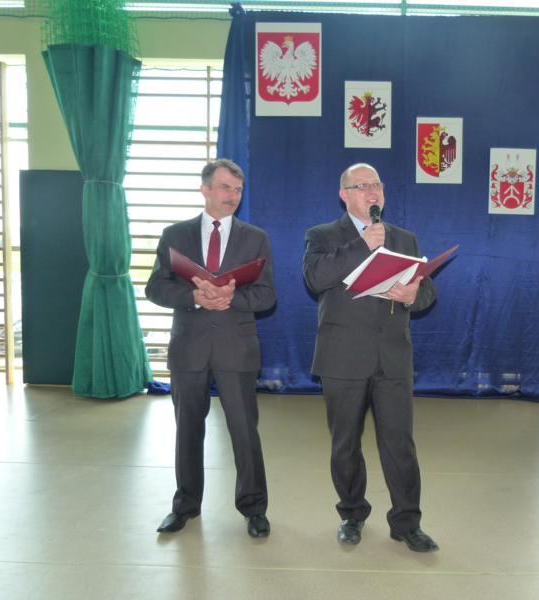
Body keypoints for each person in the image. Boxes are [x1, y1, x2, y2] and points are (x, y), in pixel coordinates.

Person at [302, 162, 439, 552]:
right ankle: (351, 514)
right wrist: (362, 245)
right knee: (345, 443)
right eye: (362, 186)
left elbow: (428, 291)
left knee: (400, 444)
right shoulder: (322, 235)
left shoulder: (404, 238)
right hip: (342, 357)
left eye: (376, 184)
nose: (372, 192)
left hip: (392, 357)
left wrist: (414, 295)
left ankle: (407, 522)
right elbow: (315, 278)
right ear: (344, 195)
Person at [146, 159, 275, 538]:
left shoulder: (255, 238)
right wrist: (195, 297)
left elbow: (266, 295)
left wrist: (230, 298)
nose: (232, 196)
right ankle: (185, 506)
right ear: (204, 189)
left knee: (244, 431)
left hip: (237, 348)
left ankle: (254, 508)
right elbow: (156, 287)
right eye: (224, 188)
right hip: (189, 348)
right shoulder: (175, 235)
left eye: (238, 189)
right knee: (187, 429)